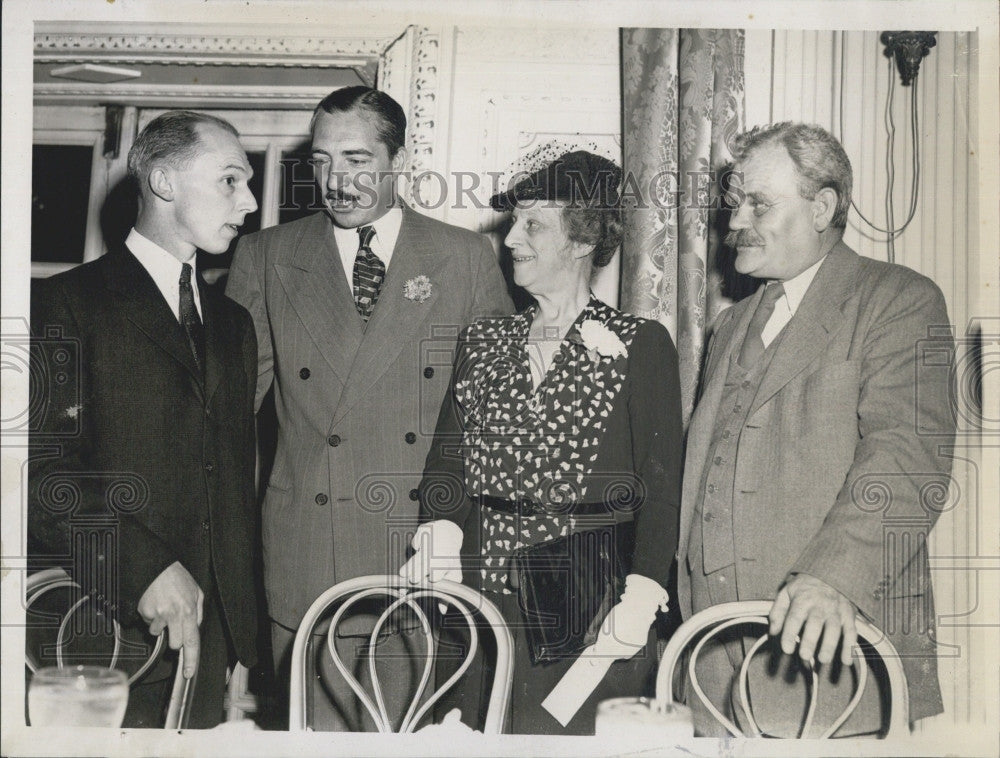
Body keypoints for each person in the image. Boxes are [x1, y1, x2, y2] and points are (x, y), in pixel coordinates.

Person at [225, 86, 512, 729]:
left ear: (399, 161)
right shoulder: (266, 256)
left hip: (416, 548)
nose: (336, 181)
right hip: (305, 555)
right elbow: (228, 415)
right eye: (322, 162)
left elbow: (492, 414)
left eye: (356, 160)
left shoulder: (464, 258)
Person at [677, 122, 955, 737]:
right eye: (732, 203)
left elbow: (909, 458)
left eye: (759, 204)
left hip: (835, 662)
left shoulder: (898, 300)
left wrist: (831, 579)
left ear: (823, 206)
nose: (734, 224)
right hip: (713, 665)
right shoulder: (729, 328)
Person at [405, 151, 683, 734]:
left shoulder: (641, 344)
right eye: (513, 223)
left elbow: (661, 490)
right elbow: (447, 461)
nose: (510, 240)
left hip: (589, 602)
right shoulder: (482, 339)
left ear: (583, 241)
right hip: (479, 593)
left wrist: (645, 586)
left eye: (533, 224)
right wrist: (442, 530)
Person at [29, 110, 260, 728]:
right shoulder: (60, 304)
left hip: (209, 644)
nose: (252, 201)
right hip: (103, 627)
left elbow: (232, 483)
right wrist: (144, 567)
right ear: (163, 182)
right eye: (231, 181)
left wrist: (243, 637)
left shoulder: (235, 324)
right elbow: (40, 474)